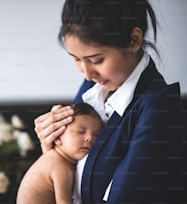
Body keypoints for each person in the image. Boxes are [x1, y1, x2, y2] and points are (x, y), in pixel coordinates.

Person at [34, 0, 186, 203]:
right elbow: (69, 172)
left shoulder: (159, 108)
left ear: (134, 40)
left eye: (96, 60)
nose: (87, 74)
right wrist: (53, 151)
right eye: (76, 59)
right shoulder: (92, 89)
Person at [17, 103, 103, 204]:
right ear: (57, 137)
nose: (90, 138)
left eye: (96, 135)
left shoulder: (53, 157)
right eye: (80, 131)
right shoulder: (61, 167)